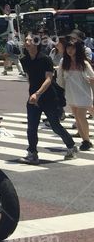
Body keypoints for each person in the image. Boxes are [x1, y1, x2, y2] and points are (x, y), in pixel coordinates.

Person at [22, 33, 77, 164]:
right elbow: (30, 78)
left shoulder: (45, 59)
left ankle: (71, 146)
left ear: (36, 43)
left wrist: (38, 93)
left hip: (48, 97)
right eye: (25, 40)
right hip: (34, 98)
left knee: (55, 125)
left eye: (29, 40)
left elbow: (49, 79)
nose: (26, 42)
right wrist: (32, 94)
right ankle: (32, 153)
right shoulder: (24, 60)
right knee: (31, 127)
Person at [58, 37, 94, 152]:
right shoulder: (63, 62)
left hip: (84, 93)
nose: (70, 50)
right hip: (71, 92)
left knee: (80, 115)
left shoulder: (84, 63)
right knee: (76, 116)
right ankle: (84, 140)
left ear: (77, 49)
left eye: (73, 48)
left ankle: (87, 140)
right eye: (68, 47)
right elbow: (60, 78)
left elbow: (92, 77)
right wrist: (61, 91)